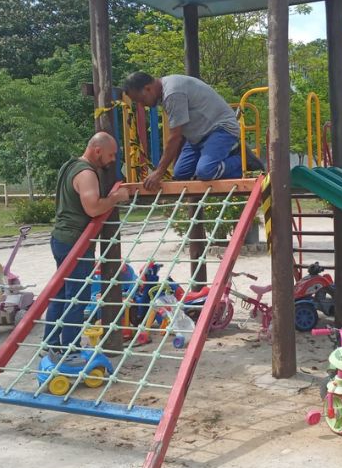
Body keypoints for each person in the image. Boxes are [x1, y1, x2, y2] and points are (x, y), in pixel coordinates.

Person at [44, 132, 130, 365]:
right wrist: (116, 197)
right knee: (77, 297)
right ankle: (70, 350)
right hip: (76, 242)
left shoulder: (69, 166)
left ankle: (50, 344)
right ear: (97, 150)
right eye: (111, 154)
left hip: (60, 238)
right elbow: (93, 208)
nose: (113, 160)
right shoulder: (86, 173)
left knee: (61, 293)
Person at [123, 72, 263, 192]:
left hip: (220, 129)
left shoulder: (172, 93)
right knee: (181, 174)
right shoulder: (164, 92)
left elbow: (175, 136)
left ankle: (242, 160)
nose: (142, 104)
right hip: (197, 137)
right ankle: (219, 158)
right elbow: (181, 132)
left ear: (148, 88)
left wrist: (159, 172)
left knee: (206, 172)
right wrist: (176, 166)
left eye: (140, 100)